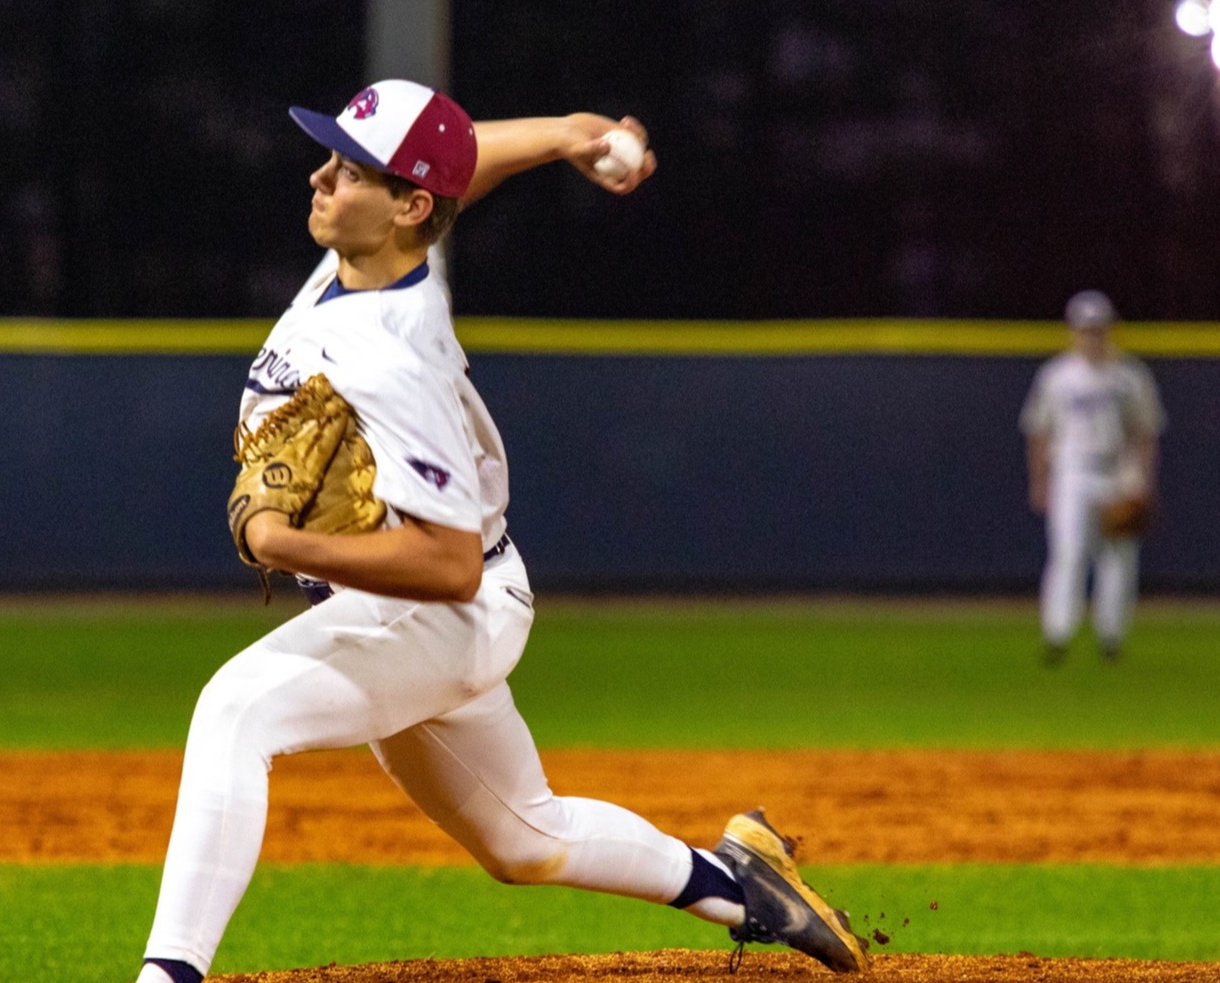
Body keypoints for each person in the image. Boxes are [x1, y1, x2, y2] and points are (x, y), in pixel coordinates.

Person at [133, 79, 869, 983]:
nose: (320, 179)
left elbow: (444, 564)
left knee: (235, 710)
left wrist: (284, 545)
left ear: (406, 207)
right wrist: (562, 134)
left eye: (348, 170)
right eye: (330, 159)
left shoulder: (394, 352)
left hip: (441, 608)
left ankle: (166, 976)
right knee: (524, 837)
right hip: (413, 607)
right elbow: (454, 168)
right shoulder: (363, 260)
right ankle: (743, 882)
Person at [1020, 289, 1166, 664]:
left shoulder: (1130, 376)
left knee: (1118, 558)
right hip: (1071, 470)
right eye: (1085, 329)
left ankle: (1111, 637)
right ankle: (1058, 635)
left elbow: (1145, 431)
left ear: (1109, 329)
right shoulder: (1057, 376)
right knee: (1068, 553)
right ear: (1073, 331)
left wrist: (1144, 480)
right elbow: (1039, 431)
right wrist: (1039, 481)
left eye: (1098, 329)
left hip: (1117, 469)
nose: (1092, 336)